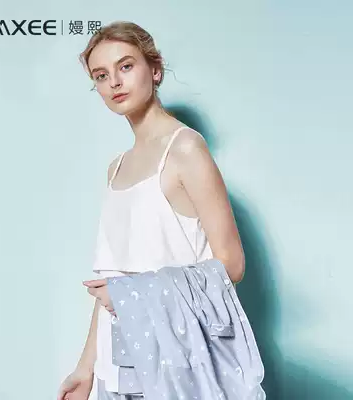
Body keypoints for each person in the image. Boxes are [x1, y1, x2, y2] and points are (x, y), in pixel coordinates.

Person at [57, 20, 246, 400]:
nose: (114, 82)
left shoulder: (185, 149)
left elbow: (232, 264)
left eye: (126, 66)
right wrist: (86, 368)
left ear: (155, 70)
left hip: (179, 357)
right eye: (101, 75)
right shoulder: (116, 168)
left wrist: (131, 294)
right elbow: (112, 278)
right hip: (120, 359)